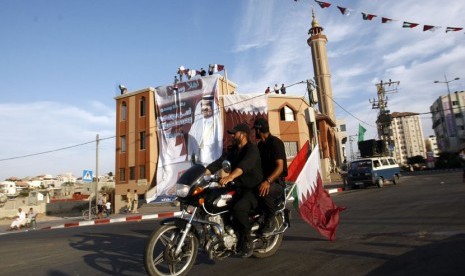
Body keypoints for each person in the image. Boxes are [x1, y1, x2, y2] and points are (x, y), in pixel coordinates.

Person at [206, 123, 263, 258]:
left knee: (238, 208)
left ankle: (247, 240)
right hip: (237, 187)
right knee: (215, 200)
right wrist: (203, 173)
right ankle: (224, 231)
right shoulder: (234, 151)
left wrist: (230, 176)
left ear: (243, 134)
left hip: (252, 189)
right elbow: (219, 162)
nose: (232, 135)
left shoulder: (251, 150)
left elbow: (244, 166)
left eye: (234, 133)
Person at [253, 118, 288, 236]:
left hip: (276, 183)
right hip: (263, 180)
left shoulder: (276, 143)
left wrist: (268, 181)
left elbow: (280, 167)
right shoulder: (260, 145)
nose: (255, 133)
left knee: (265, 191)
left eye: (255, 130)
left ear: (259, 130)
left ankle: (270, 220)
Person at [188, 93, 222, 166]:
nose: (205, 108)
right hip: (197, 162)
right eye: (202, 105)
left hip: (212, 161)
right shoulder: (195, 125)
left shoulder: (216, 124)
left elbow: (219, 143)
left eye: (208, 105)